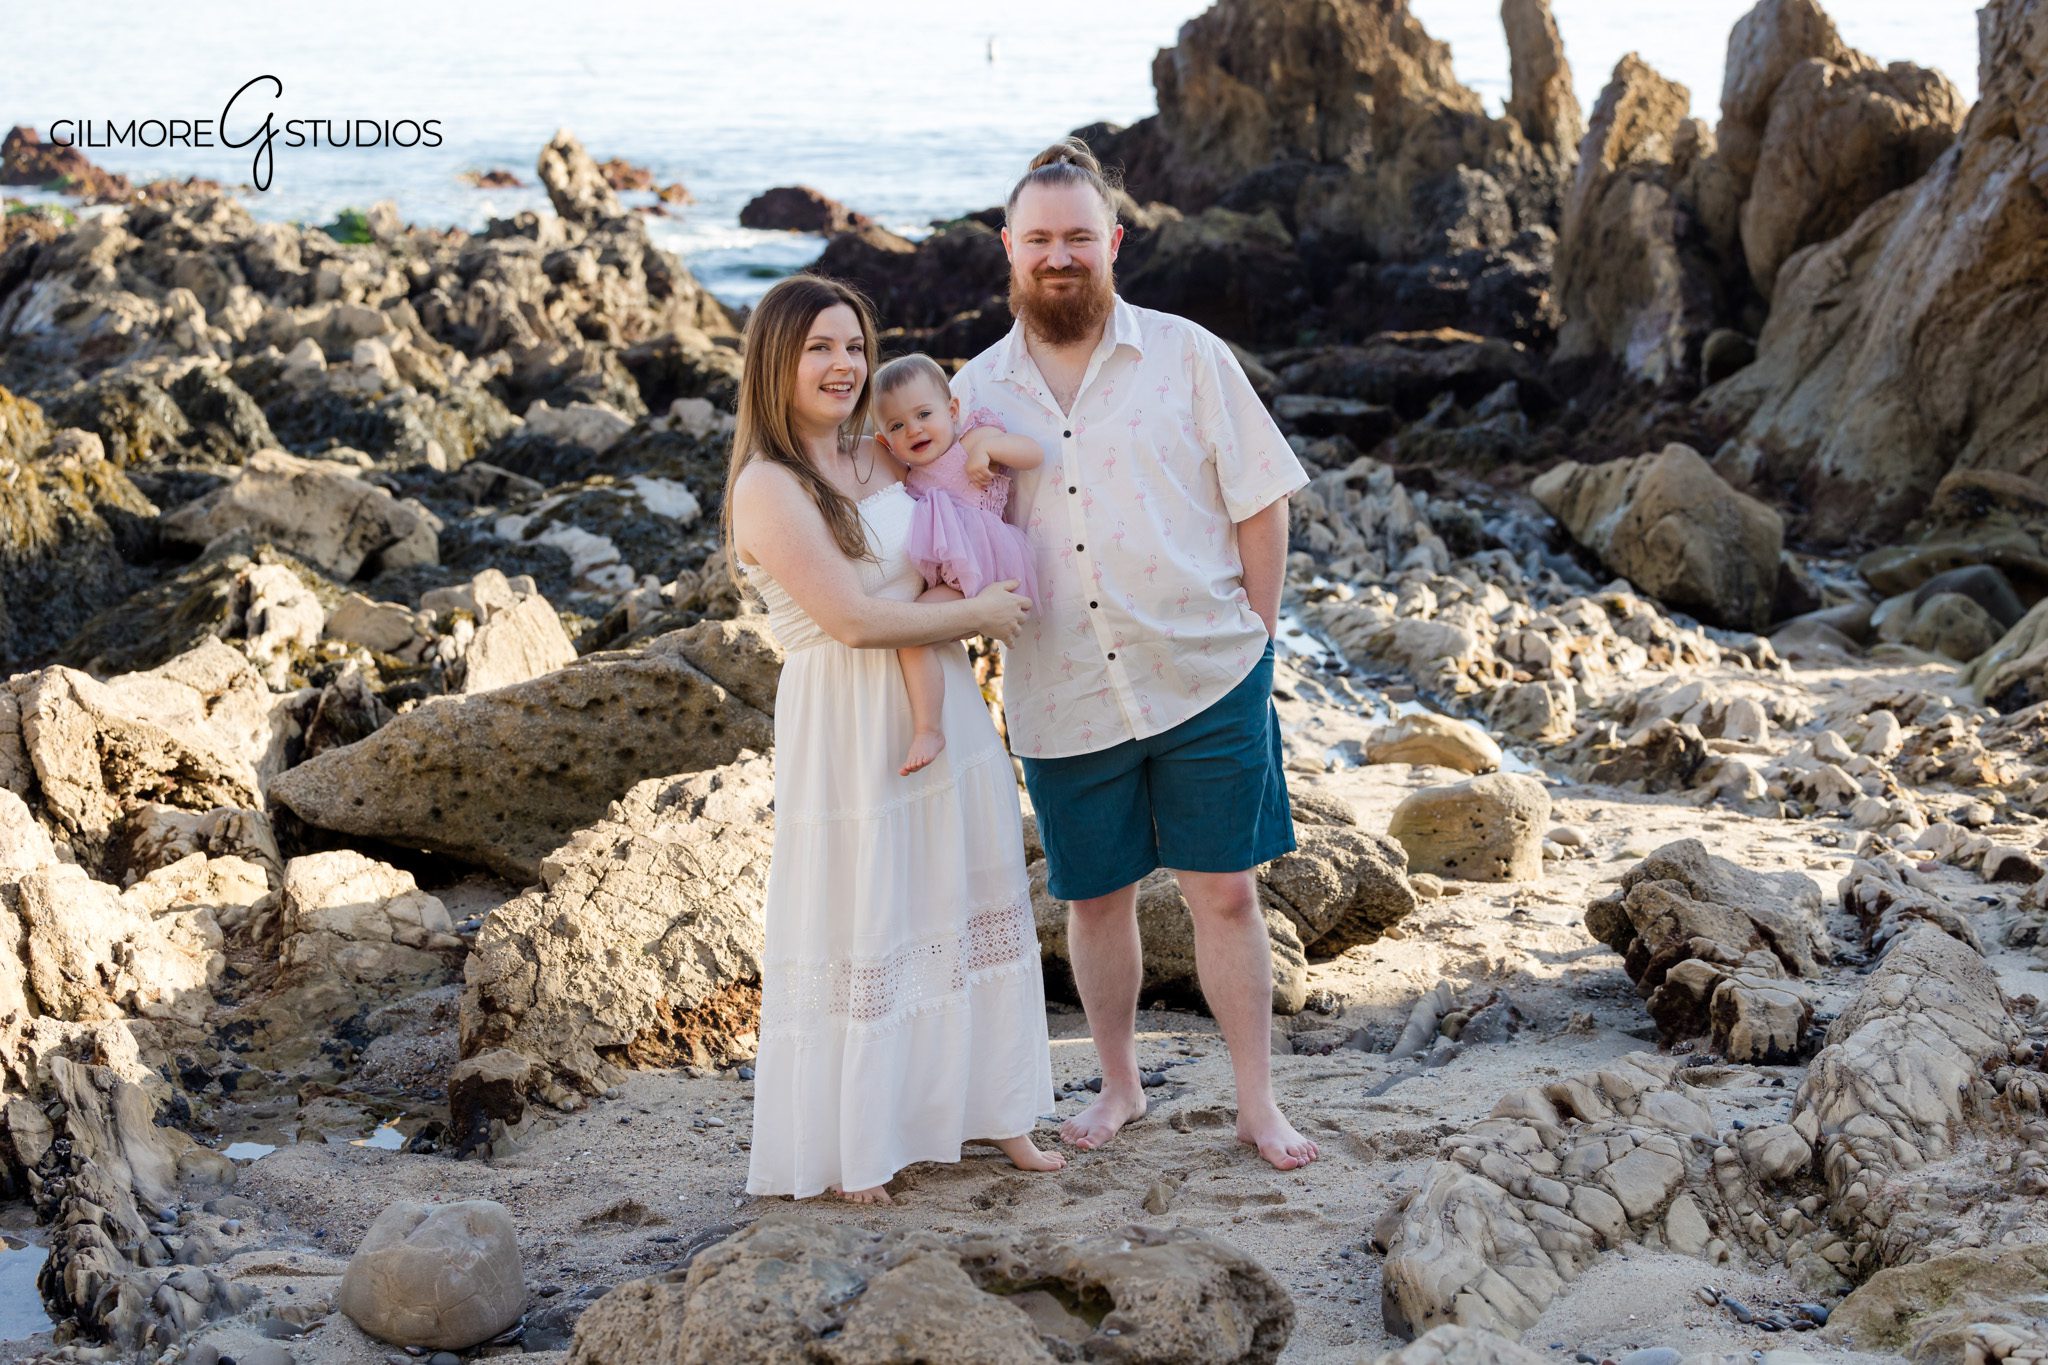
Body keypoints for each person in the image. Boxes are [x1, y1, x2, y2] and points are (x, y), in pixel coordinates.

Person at [951, 139, 1320, 1171]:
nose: (1058, 255)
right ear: (1008, 248)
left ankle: (1257, 1103)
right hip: (1060, 688)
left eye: (1077, 236)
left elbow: (1261, 499)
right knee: (1094, 900)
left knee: (1227, 893)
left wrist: (1259, 636)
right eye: (1038, 239)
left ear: (1113, 242)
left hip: (1206, 673)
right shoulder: (971, 394)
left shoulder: (1188, 355)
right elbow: (950, 539)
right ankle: (1120, 1086)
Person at [724, 275, 1064, 1204]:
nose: (844, 365)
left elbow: (967, 484)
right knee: (871, 909)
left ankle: (997, 1108)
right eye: (819, 348)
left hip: (941, 695)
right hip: (848, 717)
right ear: (776, 361)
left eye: (854, 346)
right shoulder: (768, 486)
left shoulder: (880, 453)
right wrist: (975, 610)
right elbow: (853, 620)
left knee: (963, 887)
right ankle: (860, 1140)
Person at [871, 352, 1044, 776]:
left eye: (923, 414)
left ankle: (929, 729)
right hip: (956, 582)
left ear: (951, 410)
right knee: (913, 634)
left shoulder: (970, 441)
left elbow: (1033, 453)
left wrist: (988, 449)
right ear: (885, 442)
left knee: (912, 633)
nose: (913, 429)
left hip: (988, 566)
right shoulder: (908, 478)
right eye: (897, 426)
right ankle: (930, 726)